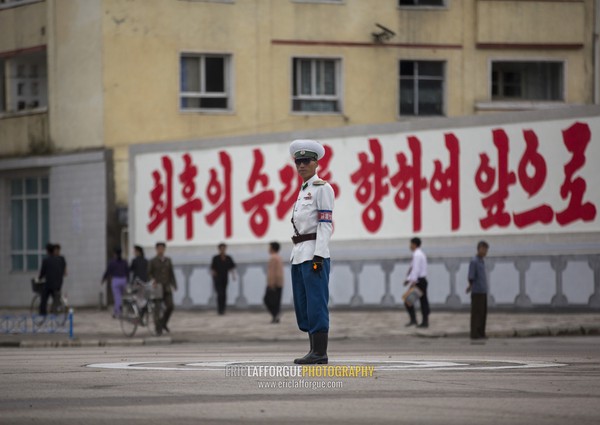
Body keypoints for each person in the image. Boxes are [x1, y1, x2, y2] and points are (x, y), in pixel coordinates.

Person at [289, 139, 334, 365]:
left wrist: (319, 255)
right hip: (299, 253)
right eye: (298, 161)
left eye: (306, 161)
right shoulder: (303, 190)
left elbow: (325, 224)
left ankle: (320, 352)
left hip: (314, 254)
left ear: (316, 163)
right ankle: (312, 350)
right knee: (304, 304)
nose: (301, 165)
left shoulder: (322, 189)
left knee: (316, 303)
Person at [148, 242, 177, 335]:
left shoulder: (168, 260)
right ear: (156, 249)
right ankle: (158, 328)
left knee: (170, 306)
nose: (160, 250)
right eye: (159, 248)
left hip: (167, 286)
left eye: (162, 248)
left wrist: (174, 284)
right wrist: (153, 280)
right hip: (157, 287)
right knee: (157, 309)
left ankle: (163, 322)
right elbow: (149, 273)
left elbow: (171, 273)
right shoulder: (152, 261)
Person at [403, 237, 430, 328]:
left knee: (408, 301)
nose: (410, 246)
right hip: (421, 281)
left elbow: (416, 269)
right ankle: (423, 321)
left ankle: (416, 320)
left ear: (414, 244)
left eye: (411, 244)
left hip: (419, 282)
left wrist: (412, 281)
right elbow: (413, 269)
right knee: (423, 302)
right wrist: (408, 279)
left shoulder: (417, 255)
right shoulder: (419, 254)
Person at [467, 240, 490, 340]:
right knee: (476, 314)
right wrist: (470, 286)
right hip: (477, 291)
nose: (485, 252)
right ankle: (474, 333)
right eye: (484, 249)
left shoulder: (481, 261)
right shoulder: (474, 261)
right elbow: (471, 276)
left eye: (486, 250)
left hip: (483, 290)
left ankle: (481, 332)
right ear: (479, 249)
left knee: (483, 313)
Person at [210, 243, 237, 315]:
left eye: (224, 248)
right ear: (219, 249)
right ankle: (219, 309)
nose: (222, 250)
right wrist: (214, 275)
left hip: (225, 278)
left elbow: (232, 267)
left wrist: (233, 275)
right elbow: (213, 268)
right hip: (217, 278)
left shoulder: (228, 258)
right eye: (221, 248)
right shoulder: (215, 258)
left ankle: (223, 308)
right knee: (220, 293)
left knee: (224, 293)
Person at [101, 248, 129, 318]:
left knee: (117, 297)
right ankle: (117, 310)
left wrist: (103, 279)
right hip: (123, 279)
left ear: (115, 254)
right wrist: (128, 280)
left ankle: (118, 312)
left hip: (116, 280)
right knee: (121, 296)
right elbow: (127, 271)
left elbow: (108, 271)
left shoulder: (112, 262)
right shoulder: (124, 262)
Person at [38, 243, 62, 315]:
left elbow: (42, 273)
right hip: (57, 283)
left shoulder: (46, 260)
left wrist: (39, 278)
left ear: (47, 251)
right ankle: (57, 311)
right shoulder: (58, 260)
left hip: (49, 284)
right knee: (56, 298)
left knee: (44, 298)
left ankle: (43, 314)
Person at [264, 241, 284, 323]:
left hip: (274, 283)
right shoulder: (279, 257)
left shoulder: (273, 258)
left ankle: (275, 315)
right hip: (279, 282)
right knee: (277, 301)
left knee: (268, 300)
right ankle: (276, 316)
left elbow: (272, 272)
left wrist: (271, 283)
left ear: (272, 248)